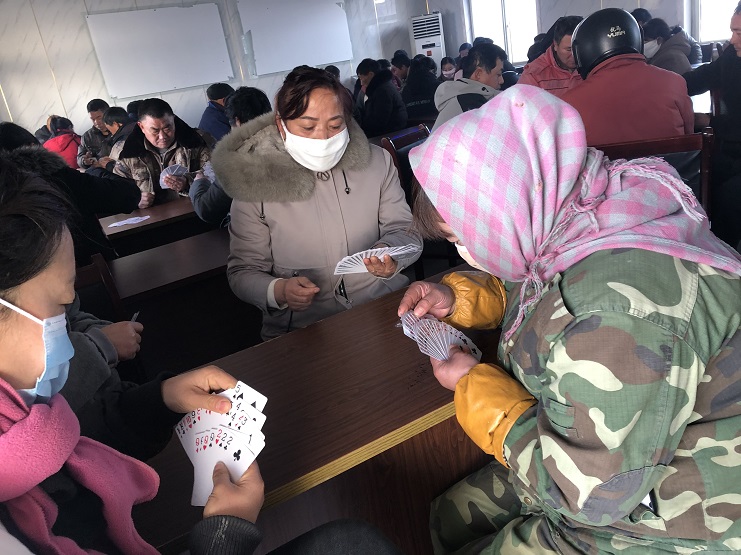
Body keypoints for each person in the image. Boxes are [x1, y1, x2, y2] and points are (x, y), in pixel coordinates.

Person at [400, 84, 741, 554]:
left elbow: (589, 496)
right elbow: (543, 286)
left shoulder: (614, 315)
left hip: (676, 516)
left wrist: (475, 388)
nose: (466, 252)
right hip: (627, 460)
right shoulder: (591, 210)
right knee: (448, 516)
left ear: (507, 213)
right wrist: (457, 299)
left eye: (464, 237)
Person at [0, 162, 405, 554]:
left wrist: (160, 399)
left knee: (353, 541)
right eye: (61, 308)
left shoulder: (29, 417)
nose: (71, 334)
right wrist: (224, 537)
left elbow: (87, 431)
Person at [211, 66, 422, 340]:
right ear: (281, 125)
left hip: (382, 307)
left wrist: (391, 254)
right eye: (308, 127)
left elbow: (406, 231)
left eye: (335, 126)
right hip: (303, 328)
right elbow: (243, 271)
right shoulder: (255, 179)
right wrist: (277, 290)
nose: (323, 138)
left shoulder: (377, 162)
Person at [0, 122, 140, 265]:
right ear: (32, 147)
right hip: (90, 269)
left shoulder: (7, 193)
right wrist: (95, 171)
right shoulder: (62, 178)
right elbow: (128, 196)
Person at [564, 7, 693, 145]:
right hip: (670, 159)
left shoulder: (569, 105)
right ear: (638, 38)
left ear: (579, 52)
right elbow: (689, 140)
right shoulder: (675, 82)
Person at [684, 1, 741, 249]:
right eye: (733, 31)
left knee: (729, 198)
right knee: (693, 179)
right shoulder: (732, 57)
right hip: (731, 149)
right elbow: (702, 77)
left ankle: (723, 259)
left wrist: (708, 121)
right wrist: (663, 84)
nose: (732, 39)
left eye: (739, 33)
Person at [190, 86, 272, 227]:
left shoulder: (237, 160)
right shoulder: (290, 142)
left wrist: (199, 183)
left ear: (237, 122)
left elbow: (207, 210)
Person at [112, 97, 211, 209]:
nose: (162, 136)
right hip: (152, 217)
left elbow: (216, 175)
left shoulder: (196, 142)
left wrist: (188, 182)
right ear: (141, 127)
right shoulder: (128, 153)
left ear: (173, 120)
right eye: (155, 131)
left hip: (194, 212)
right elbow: (116, 191)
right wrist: (135, 200)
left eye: (167, 128)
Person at [432, 43, 505, 132]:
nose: (501, 80)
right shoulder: (470, 101)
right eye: (498, 74)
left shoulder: (462, 93)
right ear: (478, 74)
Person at [519, 16, 583, 97]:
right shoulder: (533, 75)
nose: (575, 55)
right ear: (556, 45)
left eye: (579, 49)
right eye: (569, 49)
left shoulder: (592, 67)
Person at [354, 58, 408, 137]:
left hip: (392, 133)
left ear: (370, 74)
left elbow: (379, 121)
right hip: (392, 130)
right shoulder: (381, 86)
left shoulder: (382, 91)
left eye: (361, 78)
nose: (361, 83)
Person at [77, 98, 111, 169]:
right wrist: (84, 161)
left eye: (99, 118)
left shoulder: (119, 130)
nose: (97, 122)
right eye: (93, 119)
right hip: (101, 172)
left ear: (108, 114)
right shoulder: (87, 136)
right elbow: (79, 158)